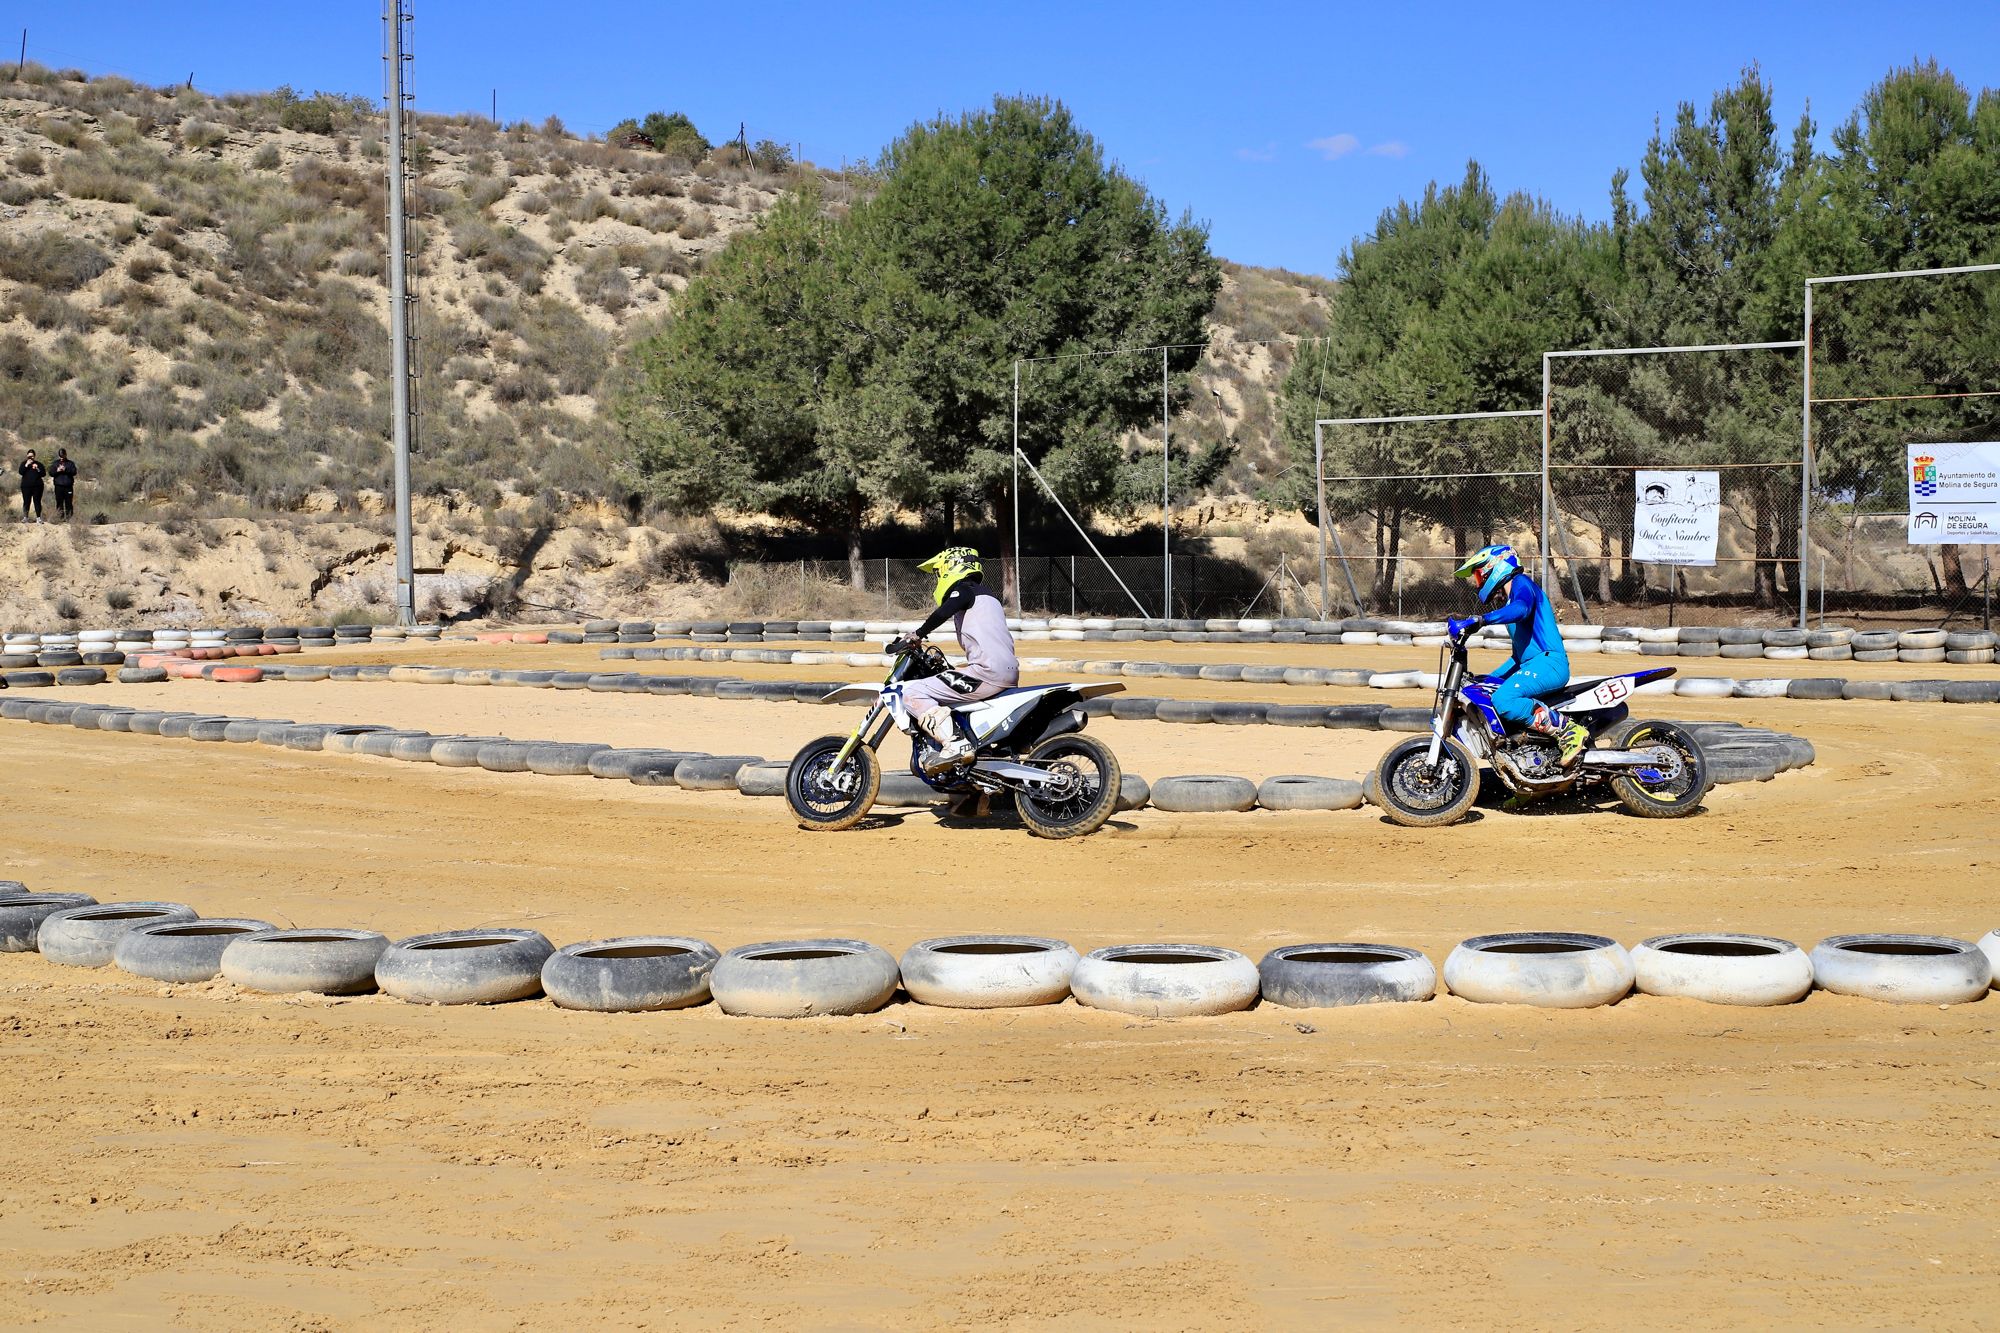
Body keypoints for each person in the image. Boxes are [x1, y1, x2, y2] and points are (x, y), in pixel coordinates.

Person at [1447, 544, 1587, 765]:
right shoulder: (1511, 600)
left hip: (1550, 663)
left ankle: (1569, 732)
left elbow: (1522, 608)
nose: (1479, 582)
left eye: (1479, 575)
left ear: (1495, 567)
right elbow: (1518, 658)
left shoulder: (1522, 586)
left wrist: (1482, 620)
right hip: (1534, 666)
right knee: (1486, 692)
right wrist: (1486, 679)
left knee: (1504, 699)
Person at [889, 546, 1019, 768]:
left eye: (939, 573)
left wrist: (918, 635)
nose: (938, 579)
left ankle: (954, 744)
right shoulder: (989, 598)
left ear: (952, 566)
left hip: (986, 672)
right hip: (1005, 671)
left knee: (913, 693)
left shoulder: (966, 590)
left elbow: (942, 612)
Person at [17, 448, 45, 523]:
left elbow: (43, 474)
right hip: (26, 486)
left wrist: (37, 468)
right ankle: (25, 517)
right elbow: (20, 472)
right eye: (29, 456)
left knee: (37, 501)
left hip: (37, 486)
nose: (30, 458)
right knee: (26, 502)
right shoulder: (24, 463)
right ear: (26, 456)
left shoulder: (38, 464)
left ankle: (38, 518)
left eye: (32, 456)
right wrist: (26, 465)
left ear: (34, 456)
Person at [50, 449, 77, 522]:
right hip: (58, 486)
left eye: (62, 455)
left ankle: (69, 519)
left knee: (68, 503)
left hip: (68, 486)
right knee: (59, 503)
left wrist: (65, 469)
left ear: (65, 454)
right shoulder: (55, 463)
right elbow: (51, 473)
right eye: (60, 456)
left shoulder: (70, 463)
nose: (61, 457)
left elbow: (74, 472)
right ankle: (60, 519)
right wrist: (57, 471)